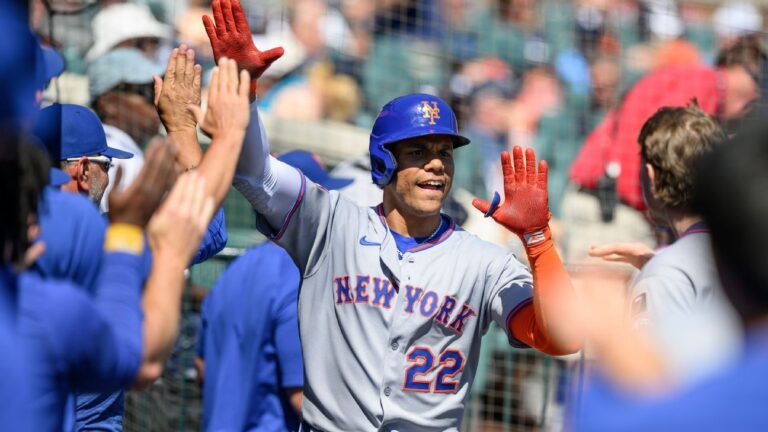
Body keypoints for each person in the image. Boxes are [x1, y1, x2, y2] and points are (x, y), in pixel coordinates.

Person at [205, 2, 581, 430]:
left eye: (444, 153)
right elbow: (256, 173)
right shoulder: (331, 224)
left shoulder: (484, 263)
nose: (436, 164)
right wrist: (243, 92)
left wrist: (538, 239)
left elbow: (563, 337)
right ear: (384, 162)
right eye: (418, 152)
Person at [573, 110, 768, 432]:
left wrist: (611, 342)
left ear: (650, 175)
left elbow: (649, 399)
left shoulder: (667, 272)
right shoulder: (716, 253)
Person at [563, 35, 766, 262]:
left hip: (616, 209)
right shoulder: (703, 83)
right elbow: (662, 153)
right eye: (757, 79)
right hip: (609, 212)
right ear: (741, 67)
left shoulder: (703, 83)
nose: (757, 94)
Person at [197, 150, 352, 432]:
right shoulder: (298, 271)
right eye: (323, 197)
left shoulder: (237, 268)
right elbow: (301, 394)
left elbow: (201, 365)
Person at [594, 103, 741, 383]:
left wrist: (661, 272)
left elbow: (651, 386)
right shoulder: (745, 247)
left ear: (651, 176)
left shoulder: (667, 273)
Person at [87, 47, 164, 212]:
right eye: (148, 93)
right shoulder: (118, 160)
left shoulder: (110, 150)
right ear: (109, 103)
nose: (158, 100)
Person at [33, 103, 133, 206]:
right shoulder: (85, 216)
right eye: (106, 165)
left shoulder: (25, 211)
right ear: (84, 172)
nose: (107, 179)